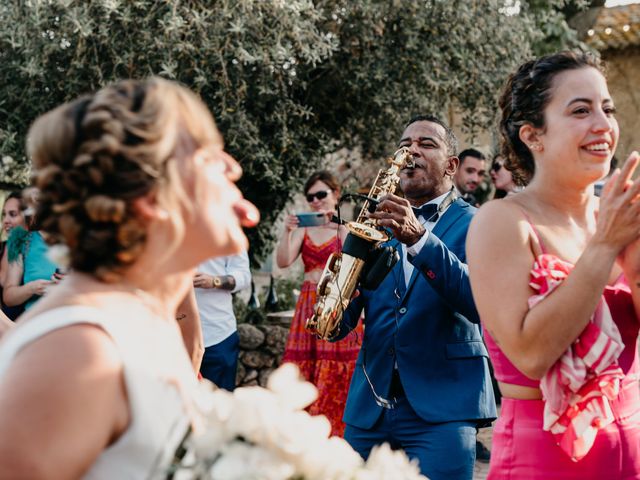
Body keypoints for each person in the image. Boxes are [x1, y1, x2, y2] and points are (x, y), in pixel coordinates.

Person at [0, 77, 259, 478]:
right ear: (151, 198)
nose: (233, 166)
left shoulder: (142, 322)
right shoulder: (78, 351)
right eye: (208, 155)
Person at [467, 51, 640, 479]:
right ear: (533, 136)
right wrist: (604, 247)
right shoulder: (502, 221)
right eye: (580, 110)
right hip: (542, 462)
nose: (603, 124)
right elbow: (531, 353)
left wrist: (635, 268)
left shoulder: (621, 215)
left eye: (607, 108)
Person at [332, 115, 496, 480]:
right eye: (405, 144)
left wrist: (419, 239)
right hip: (368, 410)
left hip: (444, 410)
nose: (411, 151)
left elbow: (479, 301)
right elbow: (343, 323)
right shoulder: (374, 225)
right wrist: (335, 298)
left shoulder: (480, 223)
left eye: (426, 144)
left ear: (451, 166)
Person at [276, 170, 362, 437]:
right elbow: (283, 261)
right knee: (306, 365)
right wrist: (287, 231)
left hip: (334, 303)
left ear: (336, 194)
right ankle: (300, 430)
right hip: (308, 304)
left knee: (335, 363)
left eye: (321, 194)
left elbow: (354, 272)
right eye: (311, 197)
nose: (316, 201)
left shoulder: (344, 230)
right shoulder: (304, 229)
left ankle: (335, 430)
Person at [194, 251, 251, 390]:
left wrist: (215, 281)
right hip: (175, 334)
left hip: (217, 334)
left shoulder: (228, 231)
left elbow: (243, 275)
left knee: (219, 404)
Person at [3, 189, 57, 311]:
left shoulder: (79, 240)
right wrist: (32, 288)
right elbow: (8, 297)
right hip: (35, 322)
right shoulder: (21, 240)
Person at [0, 192, 27, 320]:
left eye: (13, 214)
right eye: (4, 214)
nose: (6, 220)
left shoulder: (31, 249)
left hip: (22, 324)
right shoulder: (2, 247)